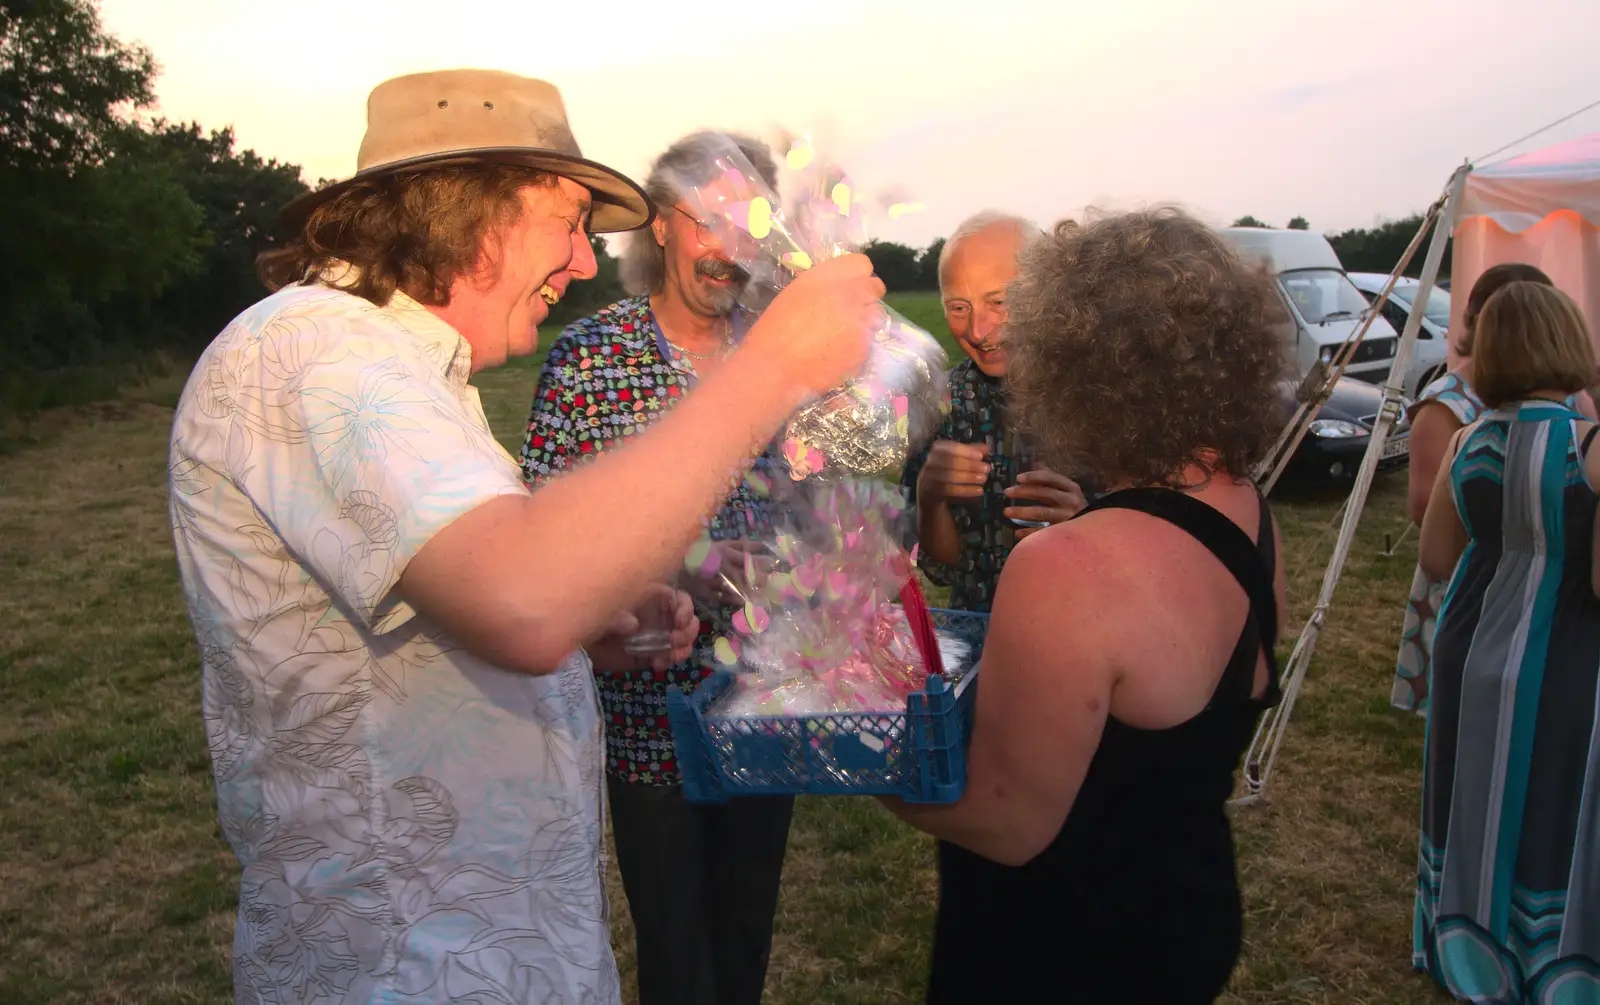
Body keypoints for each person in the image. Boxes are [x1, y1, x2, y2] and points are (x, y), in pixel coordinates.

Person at [167, 71, 883, 1004]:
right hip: (410, 965)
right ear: (470, 211)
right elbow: (519, 596)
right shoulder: (313, 349)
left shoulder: (411, 371)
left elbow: (475, 591)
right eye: (570, 219)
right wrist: (773, 370)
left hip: (489, 952)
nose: (586, 262)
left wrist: (589, 633)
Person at [886, 208, 1290, 1003]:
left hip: (1053, 949)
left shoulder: (1063, 563)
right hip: (1189, 919)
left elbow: (1006, 821)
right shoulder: (1247, 507)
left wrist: (866, 768)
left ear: (1072, 364)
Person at [520, 131, 792, 1005]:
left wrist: (801, 557)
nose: (728, 247)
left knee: (745, 931)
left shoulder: (784, 358)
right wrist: (692, 562)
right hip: (648, 715)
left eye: (750, 223)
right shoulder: (589, 358)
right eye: (708, 219)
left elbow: (829, 503)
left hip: (766, 702)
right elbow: (540, 541)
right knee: (675, 946)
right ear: (662, 226)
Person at [1414, 281, 1600, 1002]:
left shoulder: (1467, 438)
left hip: (1469, 648)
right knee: (1552, 803)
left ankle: (1464, 942)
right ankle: (1548, 962)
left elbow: (1435, 560)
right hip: (1562, 656)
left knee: (1473, 797)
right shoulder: (1588, 447)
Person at [1390, 264, 1594, 713]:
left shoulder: (1570, 403)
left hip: (1524, 608)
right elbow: (1428, 516)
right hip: (1482, 597)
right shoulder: (1448, 405)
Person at [899, 211, 1087, 612]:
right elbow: (946, 569)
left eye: (999, 301)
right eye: (959, 307)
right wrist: (929, 498)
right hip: (980, 636)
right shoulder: (940, 403)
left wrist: (1090, 526)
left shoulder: (1105, 398)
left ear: (1047, 291)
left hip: (1084, 638)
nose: (979, 330)